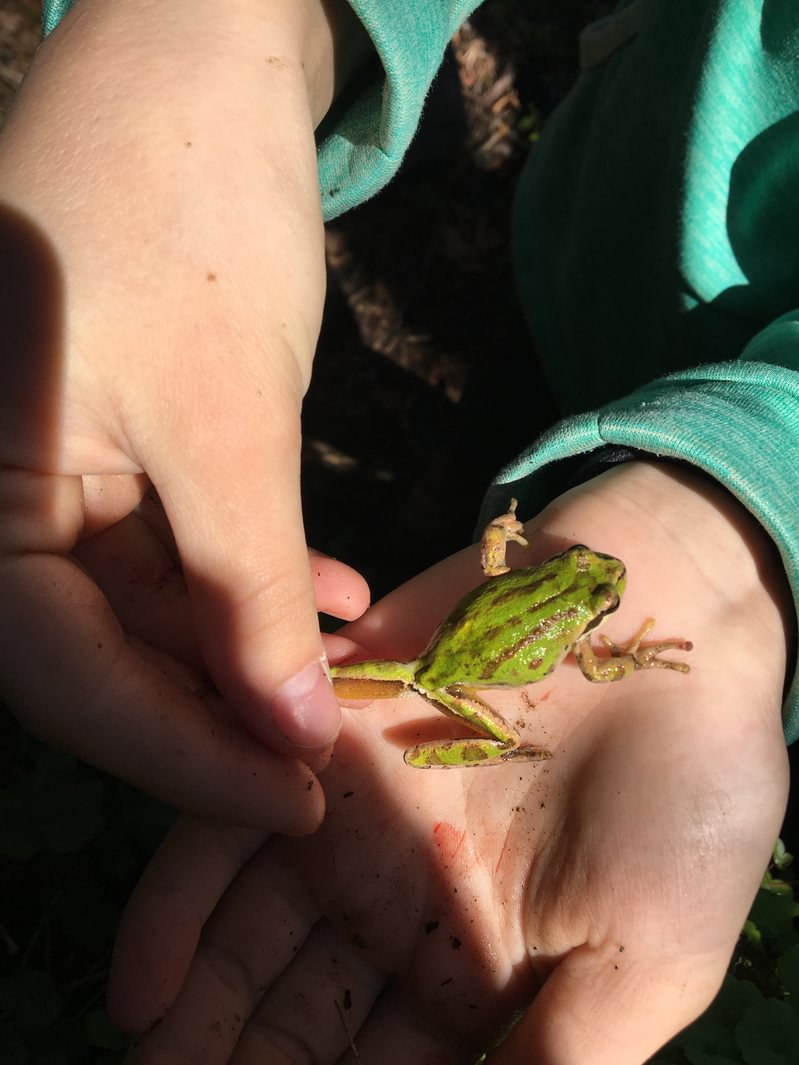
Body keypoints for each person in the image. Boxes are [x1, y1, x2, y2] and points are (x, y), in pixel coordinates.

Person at [1, 0, 796, 1061]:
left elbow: (521, 572)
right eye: (597, 584)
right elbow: (589, 653)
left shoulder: (555, 583)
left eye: (598, 587)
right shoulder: (577, 616)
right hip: (599, 251)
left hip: (463, 638)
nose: (601, 583)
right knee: (518, 417)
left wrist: (647, 554)